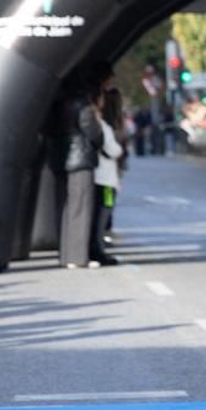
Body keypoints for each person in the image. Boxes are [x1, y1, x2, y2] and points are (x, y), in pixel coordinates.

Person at [59, 74, 104, 270]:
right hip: (82, 158)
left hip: (66, 157)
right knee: (82, 207)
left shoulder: (63, 105)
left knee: (70, 207)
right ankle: (78, 257)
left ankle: (67, 254)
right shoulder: (83, 108)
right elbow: (94, 134)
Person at [94, 87, 126, 259]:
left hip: (100, 177)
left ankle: (99, 241)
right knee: (106, 207)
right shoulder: (104, 126)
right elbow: (114, 150)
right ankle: (99, 243)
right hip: (106, 180)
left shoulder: (99, 124)